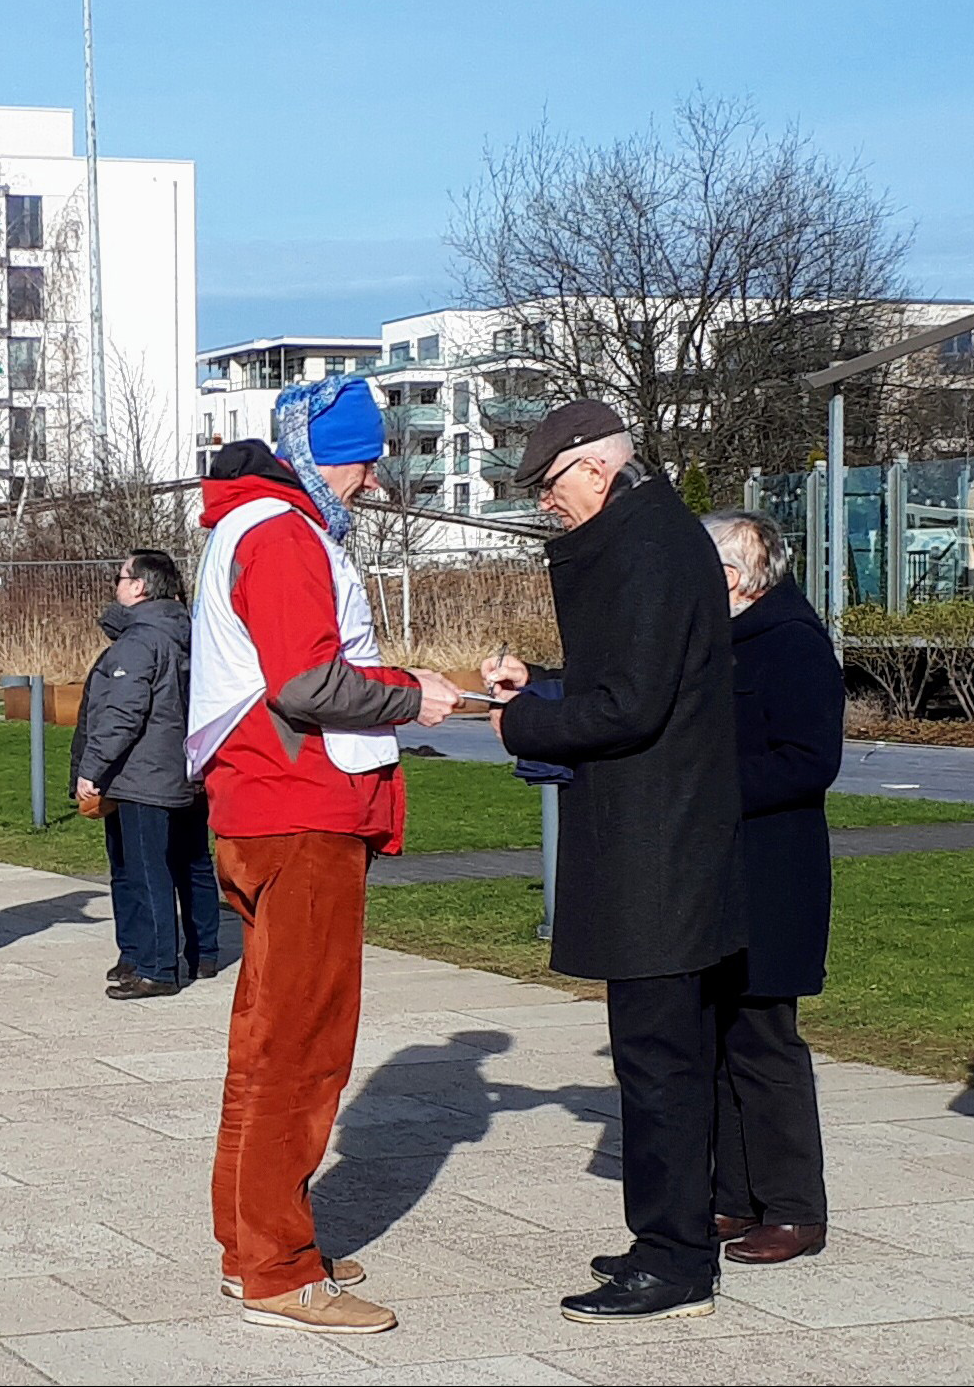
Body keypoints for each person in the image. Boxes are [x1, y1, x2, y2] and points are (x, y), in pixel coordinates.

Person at [186, 375, 459, 1335]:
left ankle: (254, 1248)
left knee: (268, 1042)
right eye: (363, 460)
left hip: (269, 807)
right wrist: (410, 694)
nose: (373, 478)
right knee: (301, 1048)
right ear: (324, 457)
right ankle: (275, 1268)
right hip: (298, 810)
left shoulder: (257, 522)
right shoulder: (284, 532)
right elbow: (306, 684)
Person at [486, 400, 746, 1324]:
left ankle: (674, 1263)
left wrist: (525, 721)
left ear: (595, 469)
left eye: (550, 484)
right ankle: (670, 1241)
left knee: (659, 1061)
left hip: (658, 849)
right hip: (662, 841)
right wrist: (547, 688)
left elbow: (631, 706)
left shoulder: (648, 548)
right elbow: (633, 682)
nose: (545, 504)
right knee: (664, 1055)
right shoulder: (656, 537)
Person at [697, 509, 839, 1265]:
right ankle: (734, 1197)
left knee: (764, 1040)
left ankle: (793, 1209)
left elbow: (809, 761)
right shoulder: (721, 638)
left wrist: (706, 789)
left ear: (732, 577)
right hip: (720, 872)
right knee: (723, 1036)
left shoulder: (791, 642)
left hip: (773, 875)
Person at [73, 547, 217, 999]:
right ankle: (200, 952)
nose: (116, 586)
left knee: (142, 869)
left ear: (138, 587)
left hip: (142, 774)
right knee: (191, 862)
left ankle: (155, 965)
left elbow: (122, 713)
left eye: (121, 577)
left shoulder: (139, 642)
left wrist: (91, 768)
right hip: (189, 769)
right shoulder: (192, 634)